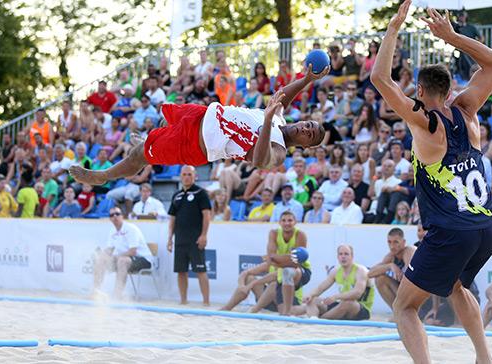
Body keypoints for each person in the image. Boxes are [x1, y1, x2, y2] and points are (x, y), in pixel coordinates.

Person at [372, 4, 492, 362]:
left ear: (419, 89)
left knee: (404, 306)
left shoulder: (423, 121)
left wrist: (394, 27)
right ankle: (484, 357)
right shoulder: (467, 108)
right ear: (449, 89)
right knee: (456, 285)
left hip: (453, 230)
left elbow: (380, 80)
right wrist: (451, 37)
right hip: (489, 225)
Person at [69, 66, 329, 186]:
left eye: (311, 134)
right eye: (309, 124)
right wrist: (307, 78)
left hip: (196, 144)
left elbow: (261, 161)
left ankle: (103, 177)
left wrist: (269, 119)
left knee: (139, 155)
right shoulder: (281, 117)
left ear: (306, 146)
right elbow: (285, 94)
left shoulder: (279, 148)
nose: (307, 128)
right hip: (202, 114)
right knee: (161, 120)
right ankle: (148, 144)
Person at [167, 166, 212, 305]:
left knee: (200, 270)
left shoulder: (201, 193)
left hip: (196, 239)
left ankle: (206, 302)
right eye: (184, 174)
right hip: (180, 239)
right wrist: (170, 239)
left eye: (189, 174)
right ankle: (183, 301)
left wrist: (204, 235)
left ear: (195, 176)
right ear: (180, 176)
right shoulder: (177, 195)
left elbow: (207, 215)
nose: (187, 177)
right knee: (181, 271)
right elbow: (172, 219)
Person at [296, 245, 374, 320]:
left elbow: (357, 293)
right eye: (340, 254)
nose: (343, 256)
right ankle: (314, 318)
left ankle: (320, 319)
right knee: (313, 299)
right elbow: (321, 288)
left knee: (348, 303)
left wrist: (336, 297)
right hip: (341, 305)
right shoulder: (336, 271)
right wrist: (310, 295)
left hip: (360, 308)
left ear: (352, 256)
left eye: (346, 254)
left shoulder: (361, 270)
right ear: (337, 257)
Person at [92, 206, 152, 298]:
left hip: (143, 260)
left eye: (117, 214)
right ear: (110, 219)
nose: (115, 216)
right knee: (101, 260)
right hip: (125, 258)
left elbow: (133, 252)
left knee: (122, 261)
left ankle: (117, 295)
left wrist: (115, 257)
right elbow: (110, 250)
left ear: (122, 216)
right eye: (112, 215)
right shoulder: (112, 231)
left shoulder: (131, 229)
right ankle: (96, 291)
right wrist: (101, 255)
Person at [260, 210, 312, 315]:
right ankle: (309, 307)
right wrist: (284, 258)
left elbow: (296, 262)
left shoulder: (300, 235)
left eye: (290, 220)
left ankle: (287, 311)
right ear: (279, 222)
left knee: (287, 272)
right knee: (282, 310)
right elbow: (270, 258)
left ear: (295, 222)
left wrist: (275, 259)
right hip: (282, 273)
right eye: (284, 220)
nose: (287, 223)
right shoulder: (273, 233)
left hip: (302, 271)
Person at [367, 228, 416, 311]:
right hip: (407, 296)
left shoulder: (409, 251)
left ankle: (405, 312)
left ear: (403, 242)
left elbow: (411, 277)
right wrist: (390, 266)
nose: (392, 246)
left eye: (396, 242)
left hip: (422, 296)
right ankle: (398, 312)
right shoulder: (391, 256)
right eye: (389, 242)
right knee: (380, 279)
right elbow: (370, 274)